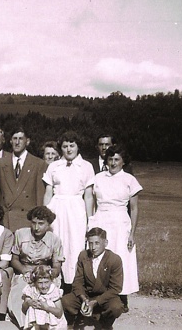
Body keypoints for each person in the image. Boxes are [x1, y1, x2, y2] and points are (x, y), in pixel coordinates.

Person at [88, 145, 142, 313]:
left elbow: (134, 209)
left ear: (123, 161)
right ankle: (98, 296)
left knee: (120, 258)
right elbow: (91, 201)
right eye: (110, 159)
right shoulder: (97, 178)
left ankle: (121, 296)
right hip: (101, 220)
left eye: (117, 159)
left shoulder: (129, 180)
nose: (113, 163)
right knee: (98, 256)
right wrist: (91, 221)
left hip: (120, 223)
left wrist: (132, 233)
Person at [43, 131, 95, 291]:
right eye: (65, 146)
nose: (69, 149)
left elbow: (88, 196)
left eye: (72, 145)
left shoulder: (86, 166)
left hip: (76, 210)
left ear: (78, 146)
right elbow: (48, 192)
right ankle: (55, 285)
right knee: (57, 243)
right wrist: (45, 215)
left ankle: (74, 286)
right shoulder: (54, 166)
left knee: (75, 245)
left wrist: (90, 219)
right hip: (57, 209)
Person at [8, 206, 64, 329]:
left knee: (47, 297)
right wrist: (24, 270)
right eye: (34, 223)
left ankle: (46, 324)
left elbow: (56, 267)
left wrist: (47, 274)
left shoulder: (54, 240)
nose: (36, 227)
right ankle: (26, 326)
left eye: (41, 223)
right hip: (25, 271)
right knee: (19, 297)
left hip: (45, 274)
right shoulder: (20, 234)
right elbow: (14, 260)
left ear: (48, 224)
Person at [62, 227, 124, 330]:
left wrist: (95, 302)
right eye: (90, 243)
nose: (93, 247)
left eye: (97, 243)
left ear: (105, 243)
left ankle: (105, 324)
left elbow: (115, 288)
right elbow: (78, 282)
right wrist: (84, 299)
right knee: (66, 301)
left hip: (105, 297)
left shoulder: (114, 259)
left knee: (116, 307)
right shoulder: (83, 256)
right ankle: (74, 321)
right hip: (87, 295)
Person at [0, 127, 48, 231]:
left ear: (27, 141)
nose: (17, 142)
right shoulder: (1, 163)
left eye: (21, 139)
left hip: (27, 220)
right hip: (6, 220)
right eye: (14, 138)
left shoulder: (38, 164)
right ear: (10, 141)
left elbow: (40, 197)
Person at [22, 265, 67, 330]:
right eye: (40, 283)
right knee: (32, 305)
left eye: (46, 282)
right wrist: (29, 302)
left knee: (49, 303)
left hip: (53, 325)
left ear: (51, 281)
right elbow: (24, 309)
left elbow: (59, 313)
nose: (43, 286)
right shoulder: (31, 289)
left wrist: (47, 307)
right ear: (35, 282)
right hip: (37, 324)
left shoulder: (53, 291)